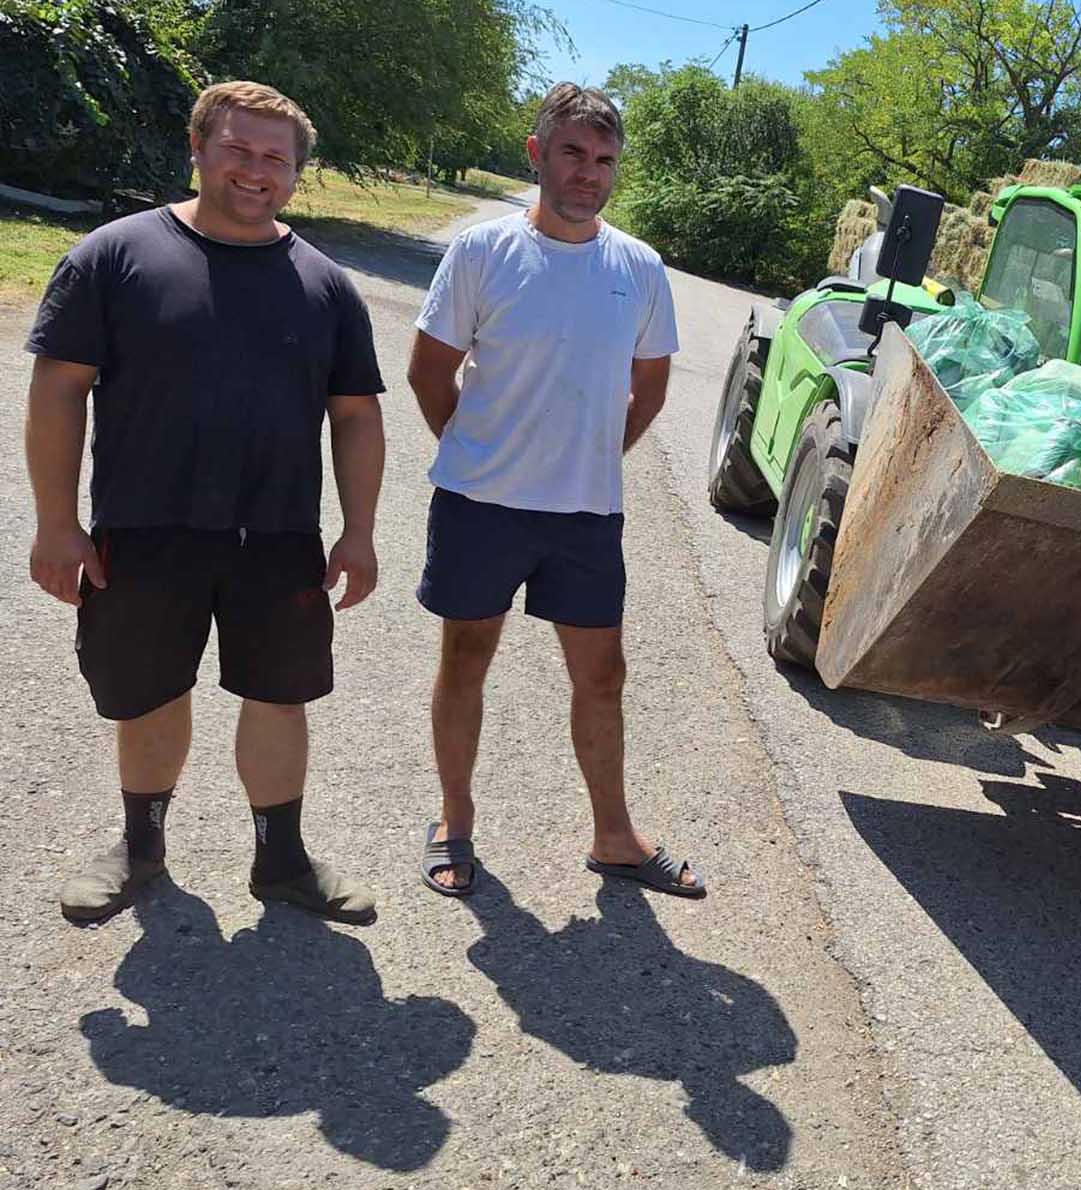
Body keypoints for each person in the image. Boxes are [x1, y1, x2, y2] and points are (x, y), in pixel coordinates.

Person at [26, 81, 386, 926]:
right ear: (197, 147)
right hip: (144, 526)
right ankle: (140, 849)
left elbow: (356, 417)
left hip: (278, 534)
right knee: (149, 693)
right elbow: (57, 390)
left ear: (296, 172)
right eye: (237, 149)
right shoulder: (114, 257)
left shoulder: (326, 285)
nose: (256, 170)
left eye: (276, 158)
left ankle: (282, 861)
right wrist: (55, 523)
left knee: (279, 695)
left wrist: (360, 531)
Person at [405, 83, 697, 900]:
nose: (588, 172)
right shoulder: (482, 252)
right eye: (572, 152)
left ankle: (614, 836)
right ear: (538, 154)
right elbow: (428, 371)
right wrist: (481, 453)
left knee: (603, 675)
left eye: (604, 159)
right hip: (480, 506)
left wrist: (591, 459)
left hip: (585, 516)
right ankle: (454, 818)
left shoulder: (639, 268)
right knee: (467, 658)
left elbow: (650, 390)